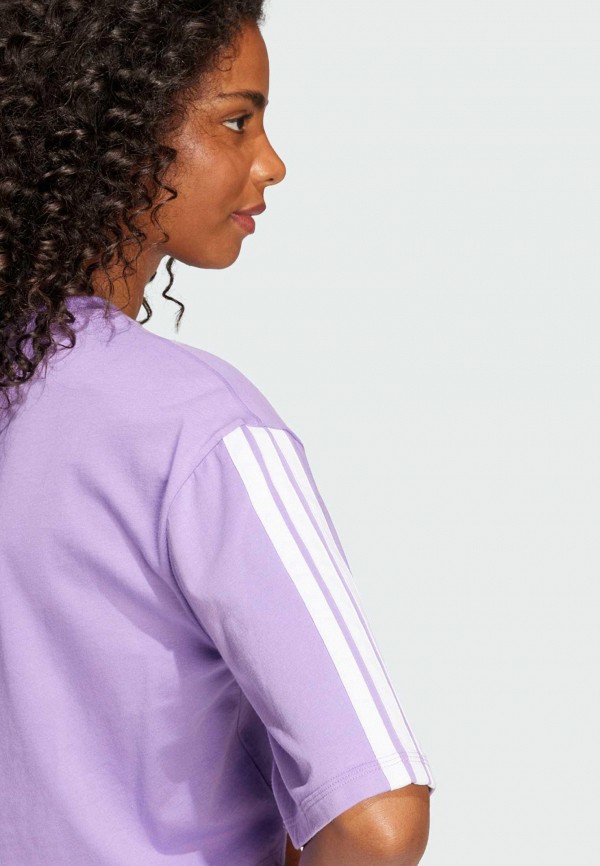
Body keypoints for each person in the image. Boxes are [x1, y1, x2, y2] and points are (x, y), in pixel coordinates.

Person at [0, 2, 436, 865]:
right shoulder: (201, 427)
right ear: (117, 127)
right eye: (237, 121)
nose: (270, 162)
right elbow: (377, 825)